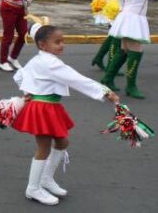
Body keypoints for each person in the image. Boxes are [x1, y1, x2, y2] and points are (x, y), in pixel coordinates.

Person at [12, 22, 119, 206]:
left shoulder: (40, 59)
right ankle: (33, 188)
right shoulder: (50, 63)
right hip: (42, 108)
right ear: (42, 45)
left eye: (63, 41)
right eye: (57, 42)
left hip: (49, 106)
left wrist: (28, 88)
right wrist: (105, 91)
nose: (62, 45)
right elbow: (77, 79)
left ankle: (45, 179)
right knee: (44, 147)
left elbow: (20, 75)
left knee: (62, 141)